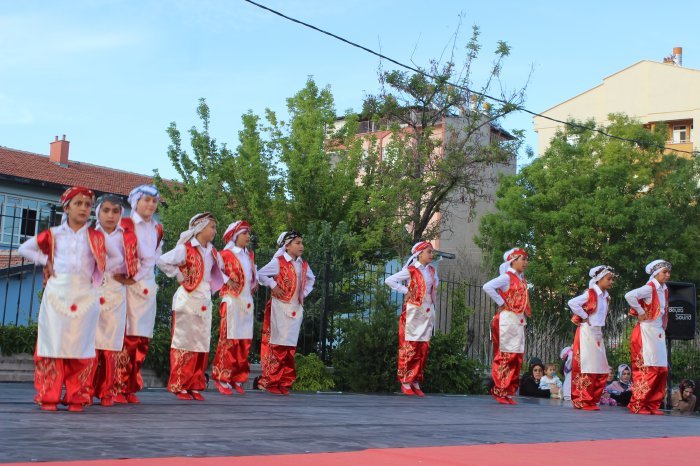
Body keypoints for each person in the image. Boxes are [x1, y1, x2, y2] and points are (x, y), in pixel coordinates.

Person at [18, 186, 107, 412]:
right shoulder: (54, 234)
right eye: (78, 204)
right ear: (66, 207)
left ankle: (77, 397)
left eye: (87, 205)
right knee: (53, 345)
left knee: (82, 347)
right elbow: (24, 248)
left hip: (85, 295)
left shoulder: (96, 237)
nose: (84, 208)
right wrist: (45, 260)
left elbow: (114, 259)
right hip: (57, 294)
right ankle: (49, 395)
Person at [157, 213, 225, 401]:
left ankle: (195, 384)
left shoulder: (212, 252)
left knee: (201, 342)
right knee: (183, 341)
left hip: (203, 300)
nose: (214, 231)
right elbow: (162, 261)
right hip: (187, 299)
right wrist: (179, 275)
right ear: (200, 228)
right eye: (212, 227)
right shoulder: (185, 249)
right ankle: (180, 384)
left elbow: (219, 270)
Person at [116, 184, 163, 404]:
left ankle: (129, 386)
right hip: (125, 287)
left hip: (147, 287)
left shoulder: (157, 229)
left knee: (142, 339)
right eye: (146, 200)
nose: (151, 205)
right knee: (125, 338)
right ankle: (116, 385)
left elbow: (155, 259)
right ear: (135, 202)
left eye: (154, 201)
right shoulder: (124, 225)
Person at [257, 231, 315, 395]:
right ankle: (271, 381)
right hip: (279, 307)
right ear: (287, 245)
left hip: (295, 308)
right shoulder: (278, 262)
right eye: (297, 243)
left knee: (290, 346)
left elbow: (311, 279)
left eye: (302, 243)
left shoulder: (303, 265)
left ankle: (284, 381)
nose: (301, 246)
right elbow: (261, 274)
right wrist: (273, 284)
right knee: (278, 344)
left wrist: (303, 294)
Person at [385, 241, 438, 397]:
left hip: (427, 310)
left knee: (423, 347)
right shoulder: (411, 270)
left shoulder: (432, 270)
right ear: (419, 254)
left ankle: (415, 380)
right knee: (411, 345)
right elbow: (390, 280)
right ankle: (406, 381)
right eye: (429, 252)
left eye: (431, 252)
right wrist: (404, 290)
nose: (431, 255)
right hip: (414, 310)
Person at [91, 194, 130, 407]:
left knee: (113, 343)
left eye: (115, 211)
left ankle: (108, 390)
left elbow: (140, 265)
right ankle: (85, 390)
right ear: (97, 212)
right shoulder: (89, 236)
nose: (110, 215)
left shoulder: (127, 238)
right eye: (105, 210)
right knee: (90, 343)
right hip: (92, 294)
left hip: (117, 294)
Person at [212, 220, 258, 395]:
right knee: (229, 339)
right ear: (235, 235)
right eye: (245, 233)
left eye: (248, 233)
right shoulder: (225, 254)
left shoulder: (249, 255)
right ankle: (222, 377)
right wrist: (226, 280)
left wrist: (256, 280)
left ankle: (236, 378)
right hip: (231, 300)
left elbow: (252, 274)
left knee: (243, 341)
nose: (248, 236)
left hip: (247, 301)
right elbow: (214, 271)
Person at [483, 247, 531, 405]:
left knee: (516, 356)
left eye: (526, 259)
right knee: (505, 355)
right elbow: (487, 286)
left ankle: (508, 391)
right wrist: (502, 302)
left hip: (517, 319)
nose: (525, 262)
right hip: (507, 319)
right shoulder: (507, 277)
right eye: (522, 259)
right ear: (513, 260)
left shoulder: (521, 279)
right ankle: (499, 390)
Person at [625, 260, 671, 415]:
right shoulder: (649, 288)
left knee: (662, 370)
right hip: (646, 331)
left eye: (668, 272)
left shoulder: (664, 290)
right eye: (664, 272)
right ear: (655, 273)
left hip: (658, 332)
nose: (667, 275)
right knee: (649, 369)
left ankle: (652, 404)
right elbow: (629, 295)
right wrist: (640, 311)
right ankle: (638, 404)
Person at [567, 265, 615, 411]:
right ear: (599, 279)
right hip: (587, 332)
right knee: (588, 366)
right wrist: (584, 316)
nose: (611, 281)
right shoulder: (591, 294)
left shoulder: (605, 296)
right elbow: (572, 303)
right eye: (609, 278)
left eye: (612, 279)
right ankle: (583, 400)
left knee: (601, 368)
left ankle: (592, 399)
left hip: (597, 332)